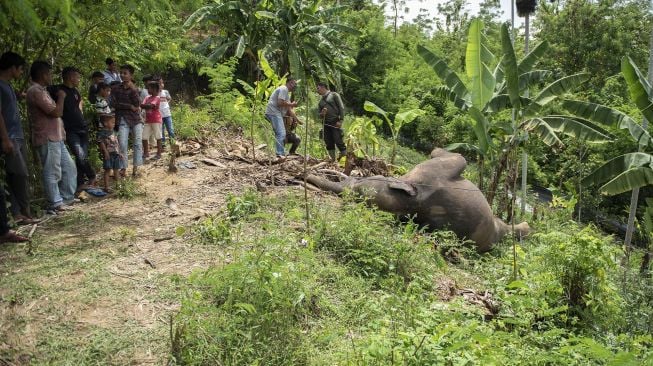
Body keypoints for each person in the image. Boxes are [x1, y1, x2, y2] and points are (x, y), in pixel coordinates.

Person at [26, 61, 77, 212]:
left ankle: (66, 199)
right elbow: (56, 112)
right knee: (52, 171)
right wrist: (61, 97)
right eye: (49, 73)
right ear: (43, 74)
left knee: (69, 167)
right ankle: (55, 202)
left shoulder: (42, 90)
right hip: (47, 137)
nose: (51, 77)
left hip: (56, 137)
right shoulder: (36, 91)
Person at [0, 52, 38, 224]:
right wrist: (5, 138)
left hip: (18, 136)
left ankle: (21, 212)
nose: (22, 72)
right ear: (12, 67)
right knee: (18, 174)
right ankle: (21, 212)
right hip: (11, 137)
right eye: (21, 69)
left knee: (19, 174)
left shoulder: (7, 86)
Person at [50, 66, 96, 190]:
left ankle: (80, 184)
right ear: (70, 77)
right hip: (70, 130)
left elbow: (79, 103)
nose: (79, 79)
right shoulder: (56, 89)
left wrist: (80, 109)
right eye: (77, 77)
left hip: (83, 128)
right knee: (80, 155)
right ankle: (92, 175)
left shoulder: (75, 91)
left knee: (82, 158)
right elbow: (39, 91)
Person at [111, 64, 143, 177]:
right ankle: (123, 167)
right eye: (121, 73)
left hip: (136, 119)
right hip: (122, 119)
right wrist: (129, 106)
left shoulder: (135, 89)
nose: (122, 75)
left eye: (125, 73)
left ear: (131, 75)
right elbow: (113, 104)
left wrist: (128, 105)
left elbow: (137, 104)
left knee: (137, 143)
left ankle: (136, 167)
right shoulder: (115, 89)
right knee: (122, 144)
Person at [264, 78, 297, 158]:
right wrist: (291, 104)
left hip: (275, 113)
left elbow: (289, 109)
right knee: (281, 133)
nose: (295, 86)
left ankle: (280, 153)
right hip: (274, 112)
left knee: (281, 133)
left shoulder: (286, 93)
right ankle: (280, 154)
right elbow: (280, 102)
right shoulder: (284, 89)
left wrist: (297, 120)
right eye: (294, 84)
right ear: (290, 83)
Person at [317, 82, 347, 161]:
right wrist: (322, 113)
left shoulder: (334, 95)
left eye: (318, 88)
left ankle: (346, 161)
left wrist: (341, 120)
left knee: (338, 141)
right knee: (328, 142)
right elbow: (319, 116)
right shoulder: (320, 102)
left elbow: (341, 107)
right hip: (325, 124)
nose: (317, 90)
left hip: (335, 122)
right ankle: (332, 161)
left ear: (323, 87)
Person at [97, 114, 122, 193]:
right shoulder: (102, 133)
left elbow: (117, 143)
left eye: (114, 122)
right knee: (107, 170)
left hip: (116, 154)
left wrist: (120, 152)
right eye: (112, 122)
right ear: (105, 123)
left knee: (116, 169)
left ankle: (118, 185)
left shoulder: (114, 132)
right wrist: (105, 152)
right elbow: (101, 143)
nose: (114, 124)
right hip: (108, 154)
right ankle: (106, 187)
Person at [140, 81, 163, 160]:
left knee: (158, 136)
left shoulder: (157, 98)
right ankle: (146, 152)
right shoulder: (147, 98)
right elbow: (144, 106)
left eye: (149, 88)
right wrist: (144, 106)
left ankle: (159, 153)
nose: (147, 89)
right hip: (148, 120)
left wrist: (142, 105)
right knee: (144, 137)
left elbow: (150, 106)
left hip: (156, 120)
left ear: (154, 89)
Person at [158, 78, 175, 146]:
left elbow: (169, 98)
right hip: (159, 115)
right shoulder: (155, 93)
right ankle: (163, 144)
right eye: (159, 83)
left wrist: (166, 104)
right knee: (161, 131)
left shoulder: (166, 92)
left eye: (162, 83)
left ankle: (173, 142)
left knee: (170, 129)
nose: (161, 84)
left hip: (167, 114)